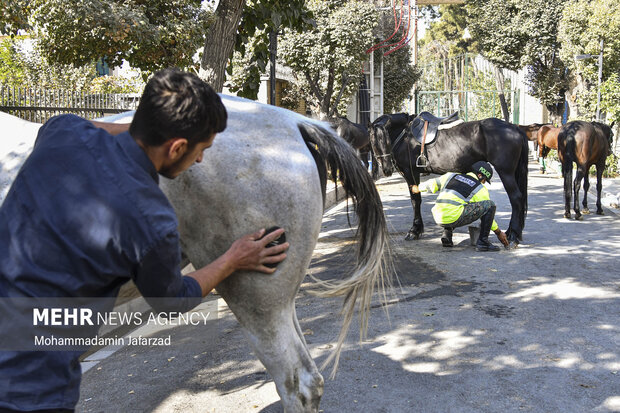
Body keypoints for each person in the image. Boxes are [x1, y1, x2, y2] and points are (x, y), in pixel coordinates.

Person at [0, 68, 289, 412]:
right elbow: (172, 301)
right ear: (177, 146)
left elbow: (62, 123)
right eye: (201, 149)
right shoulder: (150, 217)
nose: (199, 159)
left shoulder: (63, 135)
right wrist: (234, 258)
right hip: (31, 388)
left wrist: (148, 131)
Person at [410, 161, 509, 251]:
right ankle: (483, 242)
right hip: (453, 217)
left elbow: (433, 183)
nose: (484, 183)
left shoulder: (451, 176)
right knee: (489, 205)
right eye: (484, 180)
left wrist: (418, 188)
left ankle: (447, 234)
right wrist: (498, 232)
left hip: (438, 216)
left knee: (457, 204)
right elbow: (487, 211)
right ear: (480, 176)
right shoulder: (480, 188)